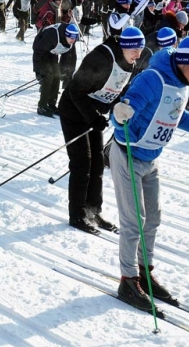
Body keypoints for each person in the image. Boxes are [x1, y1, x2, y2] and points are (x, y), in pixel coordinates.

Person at [109, 36, 189, 312]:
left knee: (153, 218)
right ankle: (128, 280)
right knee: (134, 221)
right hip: (128, 154)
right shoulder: (153, 79)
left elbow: (175, 114)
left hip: (150, 157)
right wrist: (118, 114)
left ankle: (144, 272)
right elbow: (123, 110)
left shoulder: (181, 83)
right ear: (185, 62)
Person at [58, 26, 145, 234]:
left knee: (97, 163)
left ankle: (93, 211)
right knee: (82, 163)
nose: (138, 54)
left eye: (141, 49)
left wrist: (117, 109)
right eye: (135, 49)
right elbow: (75, 90)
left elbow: (116, 90)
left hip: (93, 114)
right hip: (73, 111)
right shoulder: (101, 58)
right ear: (125, 46)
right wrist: (93, 117)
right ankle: (77, 215)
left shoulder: (129, 62)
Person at [32, 22, 79, 117]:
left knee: (57, 76)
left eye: (74, 39)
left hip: (53, 50)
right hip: (41, 48)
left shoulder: (71, 41)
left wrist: (64, 71)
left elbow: (66, 56)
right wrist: (37, 71)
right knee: (48, 75)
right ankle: (42, 106)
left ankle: (51, 104)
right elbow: (38, 51)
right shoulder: (53, 35)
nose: (72, 41)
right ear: (66, 35)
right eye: (71, 38)